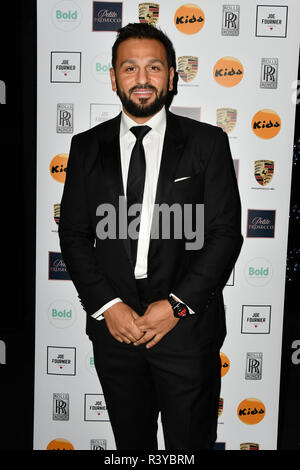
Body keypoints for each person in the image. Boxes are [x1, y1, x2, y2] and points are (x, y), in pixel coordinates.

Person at [59, 22, 243, 450]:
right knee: (131, 447)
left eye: (154, 67)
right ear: (113, 77)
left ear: (172, 76)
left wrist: (176, 306)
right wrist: (109, 307)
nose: (142, 80)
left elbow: (223, 235)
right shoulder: (86, 147)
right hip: (116, 334)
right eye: (130, 68)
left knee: (189, 447)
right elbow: (73, 234)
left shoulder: (207, 143)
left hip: (186, 332)